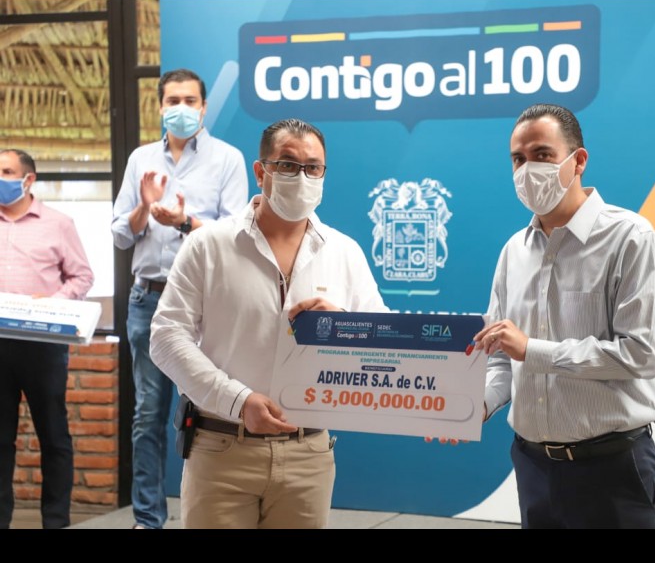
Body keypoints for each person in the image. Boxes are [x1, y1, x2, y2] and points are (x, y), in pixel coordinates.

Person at [149, 118, 388, 529]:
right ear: (261, 172)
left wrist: (346, 326)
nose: (302, 177)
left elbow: (382, 345)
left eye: (313, 167)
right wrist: (238, 401)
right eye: (288, 165)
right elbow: (166, 337)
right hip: (222, 447)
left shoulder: (344, 252)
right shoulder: (209, 245)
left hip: (308, 453)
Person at [473, 103, 655, 529]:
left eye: (542, 154)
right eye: (518, 159)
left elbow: (642, 354)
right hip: (534, 468)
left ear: (578, 161)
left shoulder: (629, 238)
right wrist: (474, 406)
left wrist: (533, 350)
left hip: (614, 470)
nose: (528, 169)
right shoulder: (513, 252)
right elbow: (501, 357)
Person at [111, 68, 248, 529]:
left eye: (191, 101)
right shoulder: (140, 159)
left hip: (204, 304)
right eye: (173, 101)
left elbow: (237, 235)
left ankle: (205, 515)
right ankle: (148, 520)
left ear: (204, 107)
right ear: (160, 106)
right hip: (148, 300)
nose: (182, 109)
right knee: (147, 415)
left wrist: (185, 222)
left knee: (208, 412)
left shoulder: (227, 159)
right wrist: (144, 208)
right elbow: (121, 234)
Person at [0, 149, 94, 529]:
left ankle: (56, 521)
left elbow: (82, 277)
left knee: (54, 437)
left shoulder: (58, 224)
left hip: (43, 346)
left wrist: (52, 304)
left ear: (28, 179)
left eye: (6, 171)